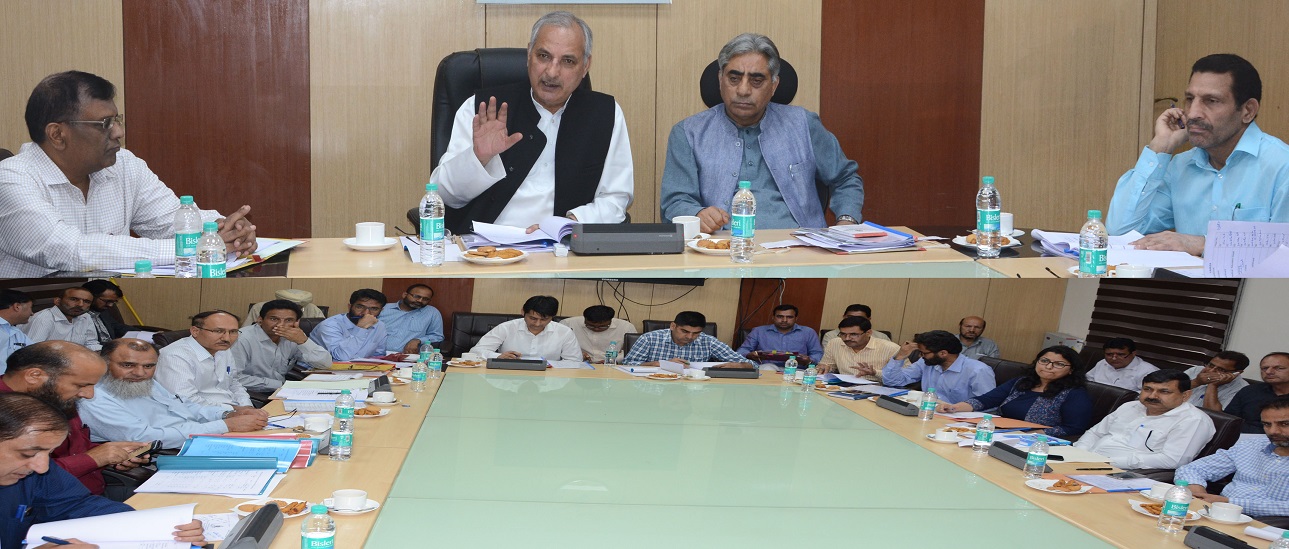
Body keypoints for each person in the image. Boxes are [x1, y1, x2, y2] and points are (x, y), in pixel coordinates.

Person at [0, 70, 255, 277]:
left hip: (105, 306)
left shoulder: (123, 164)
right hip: (30, 313)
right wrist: (194, 248)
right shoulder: (11, 179)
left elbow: (170, 221)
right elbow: (70, 251)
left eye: (117, 120)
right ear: (57, 134)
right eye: (104, 124)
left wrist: (225, 230)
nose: (118, 132)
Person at [430, 11, 633, 234]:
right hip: (485, 246)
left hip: (563, 247)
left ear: (585, 66)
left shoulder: (605, 114)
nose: (552, 72)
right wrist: (478, 158)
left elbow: (615, 199)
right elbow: (443, 196)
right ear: (529, 54)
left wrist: (567, 224)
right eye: (543, 56)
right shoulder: (482, 109)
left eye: (567, 61)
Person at [660, 33, 862, 233]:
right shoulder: (688, 133)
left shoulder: (804, 124)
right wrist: (697, 214)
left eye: (756, 80)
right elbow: (675, 202)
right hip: (722, 246)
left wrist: (847, 222)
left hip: (800, 246)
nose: (743, 90)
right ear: (720, 79)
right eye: (734, 78)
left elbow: (845, 178)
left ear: (774, 85)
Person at [1107, 54, 1289, 256]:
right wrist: (1160, 147)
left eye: (1211, 101)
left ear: (1248, 111)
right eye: (1190, 99)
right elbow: (1120, 232)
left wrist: (1204, 244)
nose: (1193, 113)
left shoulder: (1282, 167)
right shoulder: (1181, 166)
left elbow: (1284, 254)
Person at [0, 393, 205, 549]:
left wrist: (160, 526)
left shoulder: (32, 470)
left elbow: (76, 504)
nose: (42, 466)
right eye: (27, 454)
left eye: (50, 453)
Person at [0, 342, 149, 496]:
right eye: (81, 385)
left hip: (90, 494)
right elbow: (28, 476)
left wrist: (113, 454)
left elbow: (76, 448)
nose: (89, 395)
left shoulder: (54, 398)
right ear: (34, 376)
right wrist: (92, 458)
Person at [81, 338, 269, 449]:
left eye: (149, 366)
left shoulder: (143, 382)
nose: (140, 373)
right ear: (104, 363)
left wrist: (228, 414)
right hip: (167, 454)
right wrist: (224, 426)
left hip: (199, 439)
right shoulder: (93, 398)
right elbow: (143, 438)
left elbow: (185, 406)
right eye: (128, 365)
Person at [1176, 397, 1289, 526]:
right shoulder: (1251, 446)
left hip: (1265, 524)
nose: (1273, 431)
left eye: (1284, 424)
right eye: (1267, 424)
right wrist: (1198, 493)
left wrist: (1229, 502)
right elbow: (1191, 469)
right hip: (1214, 512)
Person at [938, 346, 1094, 438]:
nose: (1048, 367)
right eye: (1044, 361)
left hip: (1033, 442)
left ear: (1071, 370)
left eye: (1059, 364)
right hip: (1001, 434)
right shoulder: (1022, 382)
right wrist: (954, 408)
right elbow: (987, 400)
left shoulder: (1074, 393)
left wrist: (1031, 434)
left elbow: (1074, 428)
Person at [1073, 369, 1215, 470]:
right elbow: (1095, 433)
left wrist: (1106, 462)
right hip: (1085, 462)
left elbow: (1171, 460)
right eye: (1147, 389)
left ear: (1185, 395)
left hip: (1122, 472)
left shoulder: (1193, 420)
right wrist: (1080, 453)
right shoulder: (1130, 406)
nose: (1152, 396)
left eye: (1164, 391)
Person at [154, 310, 254, 410]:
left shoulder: (223, 349)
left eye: (233, 332)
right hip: (200, 414)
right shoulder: (175, 356)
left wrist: (247, 406)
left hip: (232, 409)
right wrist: (234, 410)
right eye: (218, 331)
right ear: (195, 331)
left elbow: (233, 383)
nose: (227, 338)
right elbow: (184, 401)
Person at [229, 299, 332, 394]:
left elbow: (325, 364)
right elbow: (232, 378)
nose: (280, 325)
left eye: (288, 320)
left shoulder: (295, 337)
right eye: (274, 319)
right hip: (249, 394)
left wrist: (303, 342)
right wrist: (279, 385)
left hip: (281, 392)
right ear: (260, 319)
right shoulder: (241, 339)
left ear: (296, 322)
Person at [881, 330, 996, 405]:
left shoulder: (978, 370)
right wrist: (900, 356)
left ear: (943, 353)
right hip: (928, 412)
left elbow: (989, 405)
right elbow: (892, 381)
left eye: (924, 353)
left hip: (960, 422)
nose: (921, 356)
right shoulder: (926, 362)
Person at [624, 311, 752, 368]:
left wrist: (739, 366)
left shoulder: (708, 341)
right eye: (685, 331)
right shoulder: (649, 338)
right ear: (673, 326)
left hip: (693, 388)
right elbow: (627, 364)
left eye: (696, 333)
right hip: (656, 387)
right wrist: (660, 363)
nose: (690, 337)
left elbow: (752, 365)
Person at [470, 296, 580, 361]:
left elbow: (574, 361)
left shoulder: (564, 332)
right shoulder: (506, 328)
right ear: (523, 312)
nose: (537, 324)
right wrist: (498, 356)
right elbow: (475, 352)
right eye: (533, 318)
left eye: (544, 319)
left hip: (548, 380)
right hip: (509, 377)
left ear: (552, 317)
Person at [309, 289, 388, 362]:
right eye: (360, 307)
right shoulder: (329, 325)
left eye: (374, 309)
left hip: (359, 370)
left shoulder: (379, 326)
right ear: (350, 307)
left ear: (381, 311)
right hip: (320, 369)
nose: (366, 313)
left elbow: (378, 356)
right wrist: (361, 328)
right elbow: (341, 357)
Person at [816, 316, 899, 382]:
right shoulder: (834, 343)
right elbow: (827, 366)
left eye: (853, 334)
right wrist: (824, 368)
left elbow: (900, 377)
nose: (847, 338)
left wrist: (875, 373)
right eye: (843, 334)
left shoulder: (891, 348)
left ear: (868, 333)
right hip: (843, 387)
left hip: (878, 389)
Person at [736, 304, 823, 366]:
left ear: (796, 318)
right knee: (768, 368)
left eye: (789, 317)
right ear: (773, 317)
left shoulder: (808, 332)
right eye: (780, 316)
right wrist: (749, 355)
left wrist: (810, 360)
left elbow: (817, 353)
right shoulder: (759, 331)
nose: (784, 320)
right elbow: (742, 350)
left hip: (798, 370)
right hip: (766, 369)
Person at [1225, 352, 1289, 434]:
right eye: (1264, 368)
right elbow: (1229, 420)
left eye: (1279, 368)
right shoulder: (1249, 391)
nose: (1268, 371)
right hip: (1242, 437)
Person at [19, 287, 99, 350]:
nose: (80, 304)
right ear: (57, 301)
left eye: (86, 302)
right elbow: (32, 350)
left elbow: (92, 343)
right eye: (74, 299)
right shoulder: (43, 319)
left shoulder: (85, 316)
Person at [559, 305, 636, 363]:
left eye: (602, 326)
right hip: (578, 364)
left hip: (612, 365)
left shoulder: (626, 327)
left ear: (610, 321)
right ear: (584, 319)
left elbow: (632, 352)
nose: (596, 329)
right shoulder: (568, 324)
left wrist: (613, 359)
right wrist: (576, 354)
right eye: (591, 326)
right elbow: (557, 347)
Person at [380, 284, 444, 354]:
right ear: (405, 295)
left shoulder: (432, 312)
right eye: (416, 296)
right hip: (378, 354)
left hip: (409, 357)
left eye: (425, 299)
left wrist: (418, 340)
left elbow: (437, 336)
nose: (420, 300)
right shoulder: (383, 309)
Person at [1183, 351, 1250, 411]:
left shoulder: (1242, 389)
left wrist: (1213, 385)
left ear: (1238, 372)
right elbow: (1176, 390)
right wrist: (1196, 382)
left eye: (1221, 370)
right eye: (1211, 365)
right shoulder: (1196, 370)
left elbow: (1215, 415)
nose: (1211, 371)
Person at [1084, 337, 1158, 390]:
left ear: (1133, 353)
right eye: (1109, 354)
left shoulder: (1149, 372)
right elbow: (1087, 380)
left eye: (1121, 355)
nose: (1114, 358)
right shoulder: (1102, 363)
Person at [81, 280, 129, 347]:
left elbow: (118, 327)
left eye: (114, 302)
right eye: (107, 301)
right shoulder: (78, 316)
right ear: (90, 297)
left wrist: (143, 333)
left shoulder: (103, 311)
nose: (110, 305)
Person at [243, 289, 326, 327]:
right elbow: (246, 330)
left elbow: (320, 331)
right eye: (273, 319)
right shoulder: (259, 307)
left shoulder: (313, 309)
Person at [820, 304, 890, 348]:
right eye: (850, 317)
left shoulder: (882, 337)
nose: (854, 320)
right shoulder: (831, 336)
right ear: (844, 317)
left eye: (854, 334)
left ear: (868, 319)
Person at [0, 290, 35, 370]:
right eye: (30, 308)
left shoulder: (17, 332)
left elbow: (35, 352)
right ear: (17, 307)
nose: (32, 313)